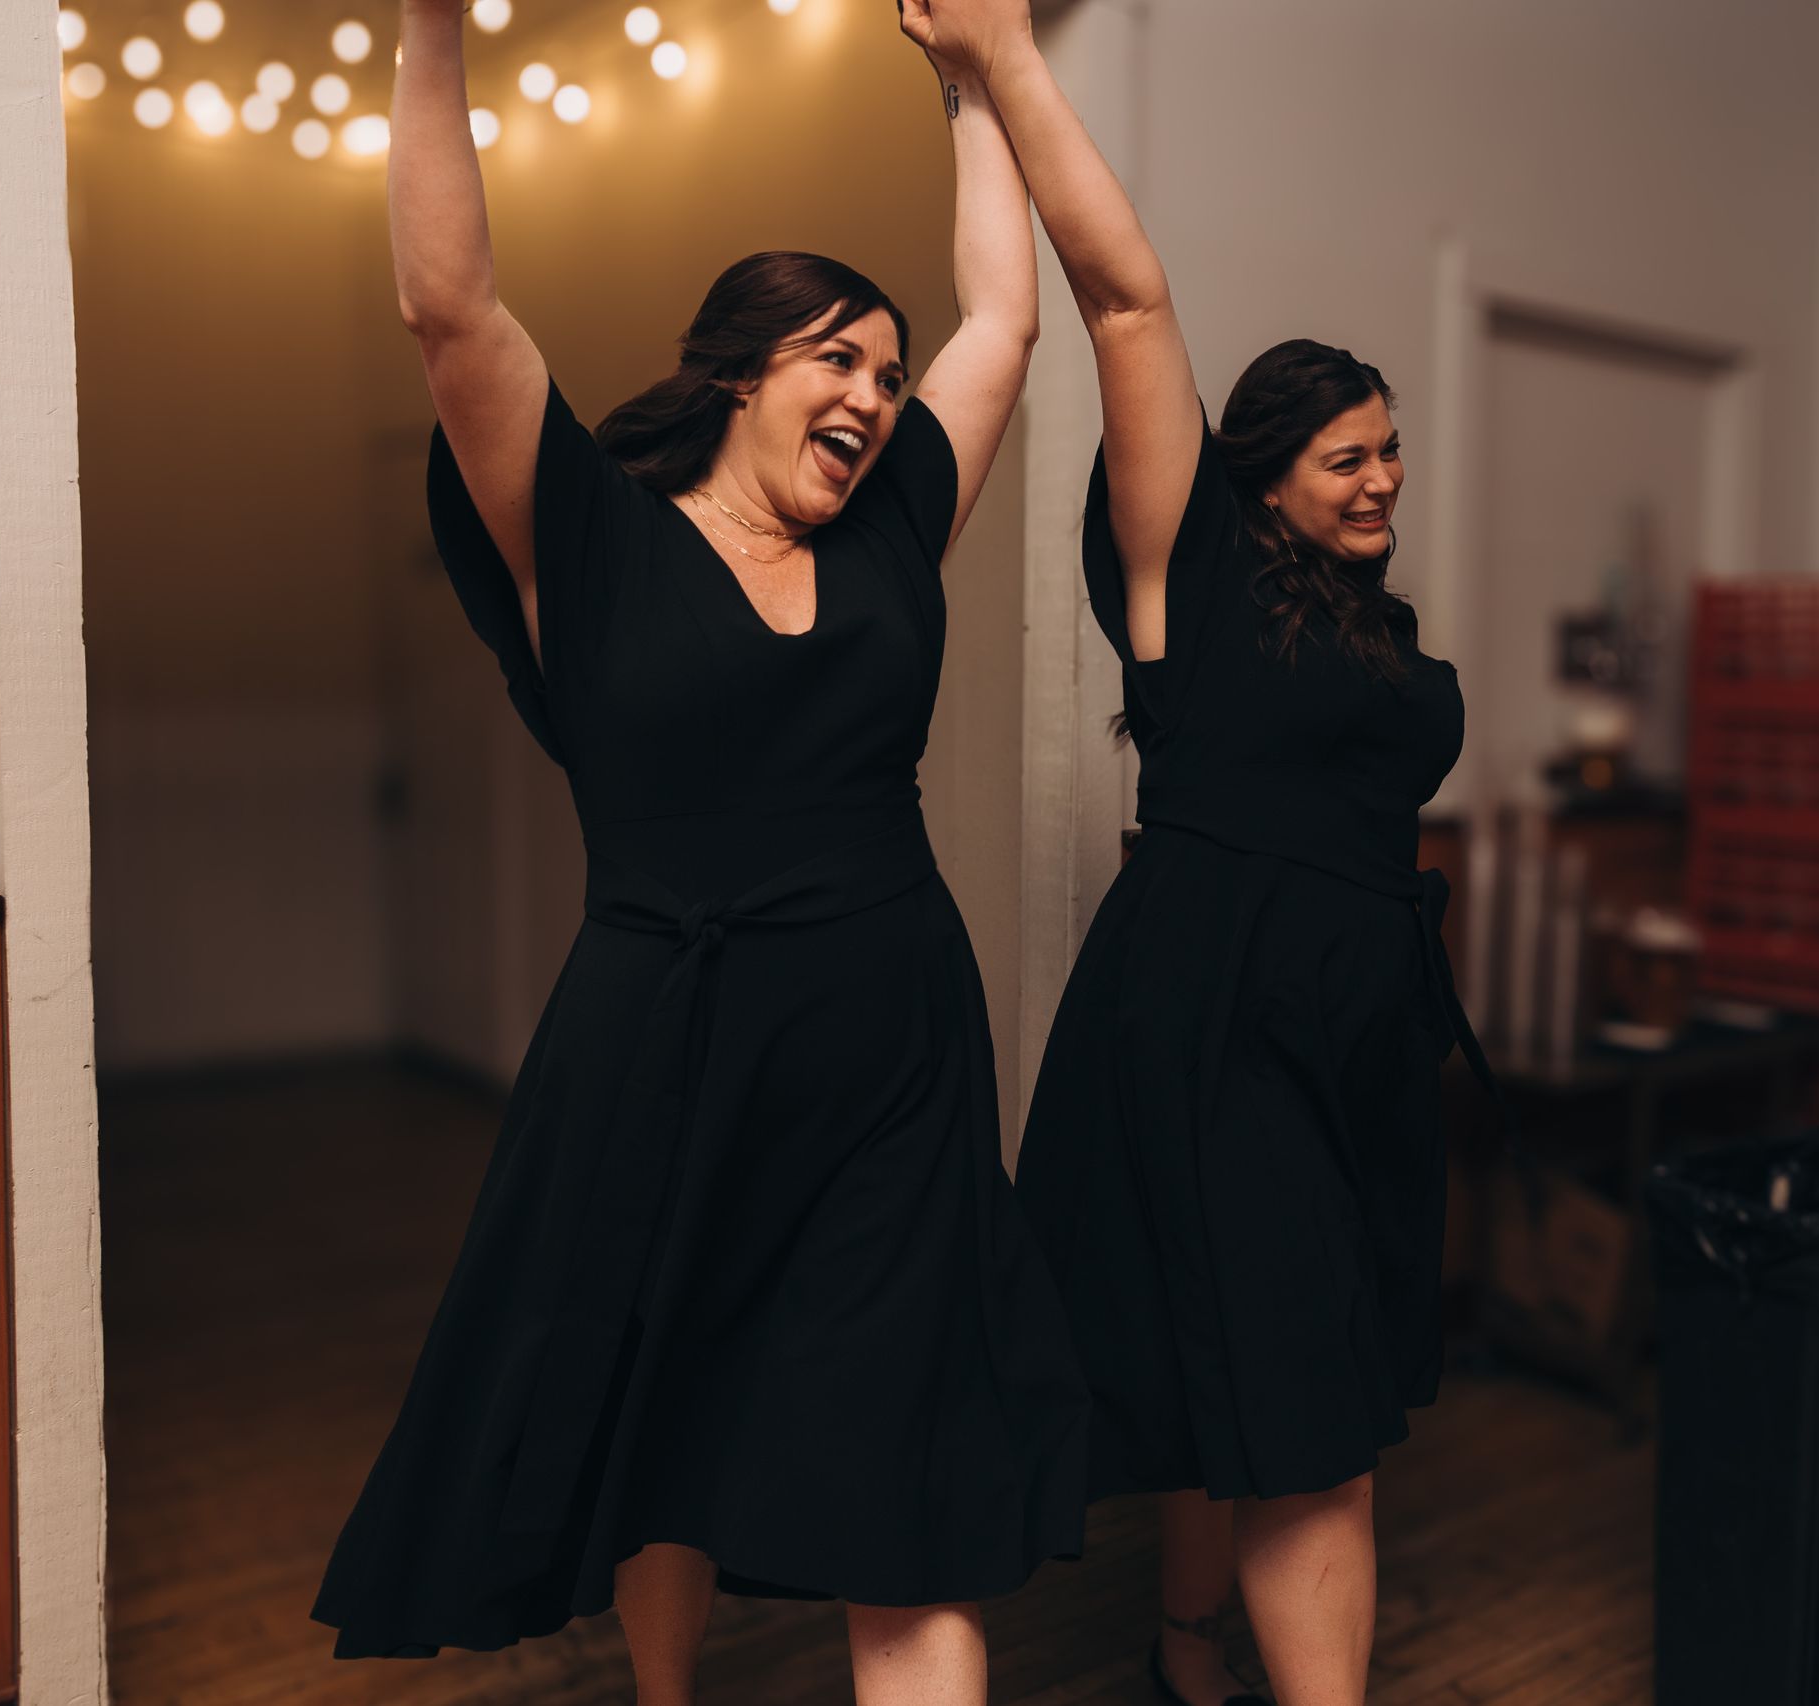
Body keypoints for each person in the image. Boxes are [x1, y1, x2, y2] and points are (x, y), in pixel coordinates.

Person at [310, 6, 1086, 1702]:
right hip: (664, 1043)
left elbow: (1008, 319)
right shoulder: (589, 540)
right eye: (841, 360)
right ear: (745, 369)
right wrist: (431, 27)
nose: (876, 395)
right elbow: (451, 305)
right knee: (665, 1390)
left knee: (910, 1463)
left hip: (892, 1056)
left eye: (890, 375)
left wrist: (968, 76)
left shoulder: (894, 529)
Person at [898, 5, 1488, 1704]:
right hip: (1218, 1022)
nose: (1382, 480)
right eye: (1345, 457)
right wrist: (1001, 65)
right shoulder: (1193, 581)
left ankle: (1185, 1646)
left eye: (1390, 448)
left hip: (1353, 1039)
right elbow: (1127, 300)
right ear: (1263, 482)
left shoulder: (1379, 635)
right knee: (1304, 1414)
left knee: (1258, 1352)